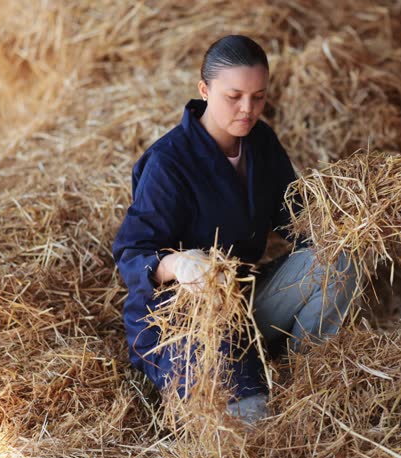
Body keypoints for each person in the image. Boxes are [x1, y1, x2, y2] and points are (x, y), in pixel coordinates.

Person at [112, 35, 356, 423]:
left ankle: (306, 375)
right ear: (204, 90)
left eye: (258, 97)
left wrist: (351, 228)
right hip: (186, 317)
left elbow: (295, 218)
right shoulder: (168, 163)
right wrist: (178, 265)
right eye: (234, 96)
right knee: (243, 415)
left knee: (339, 262)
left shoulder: (261, 142)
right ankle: (243, 384)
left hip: (242, 296)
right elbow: (132, 253)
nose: (247, 109)